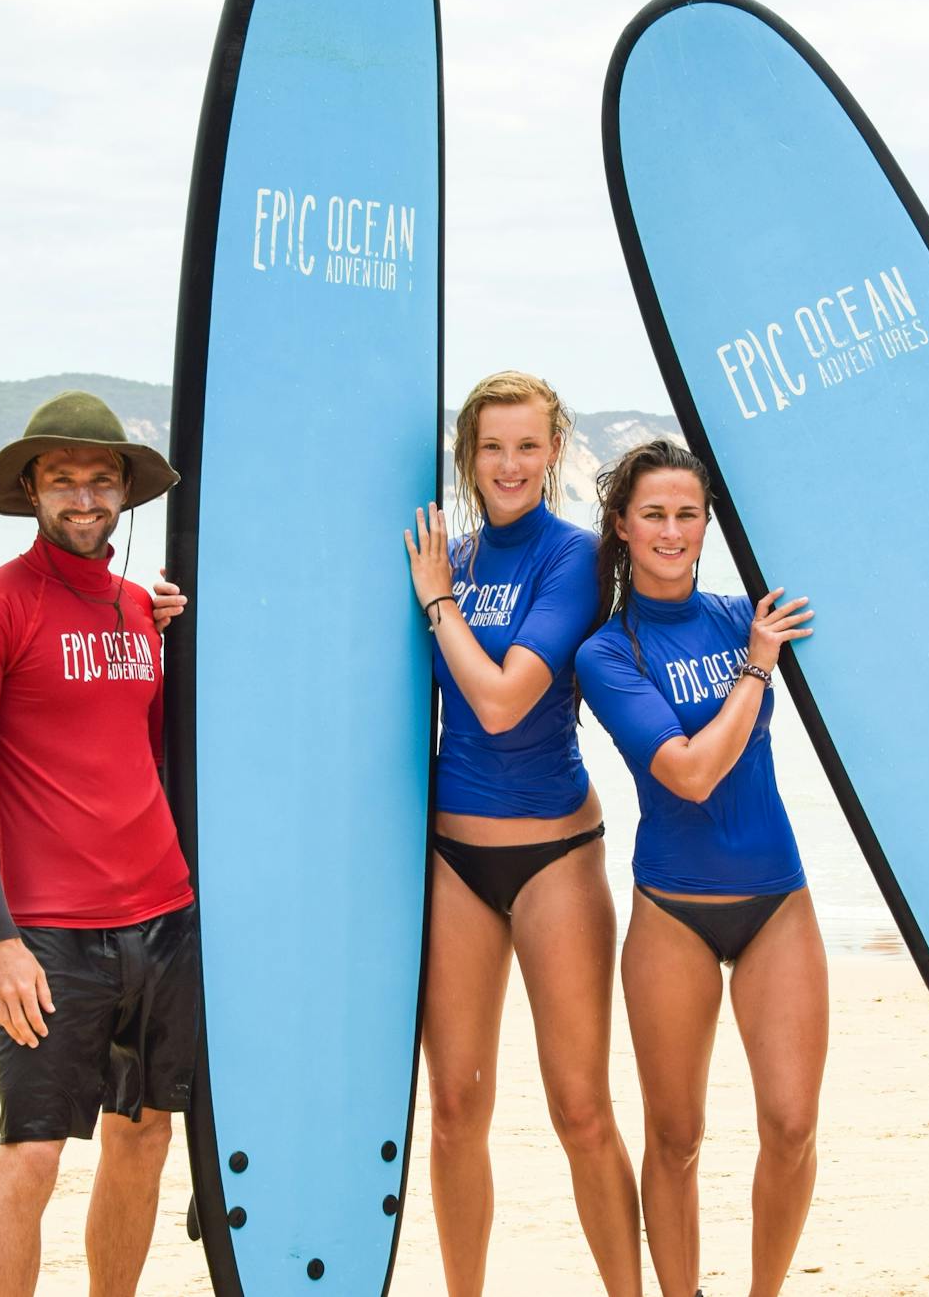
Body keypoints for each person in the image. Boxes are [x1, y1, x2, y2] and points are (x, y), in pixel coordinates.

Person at [0, 390, 196, 1297]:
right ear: (32, 492)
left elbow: (152, 759)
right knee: (32, 1153)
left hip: (164, 917)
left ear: (124, 491)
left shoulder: (143, 613)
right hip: (48, 936)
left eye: (101, 480)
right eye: (63, 481)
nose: (84, 499)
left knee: (144, 1136)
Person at [402, 372, 641, 1296]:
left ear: (554, 452)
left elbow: (503, 704)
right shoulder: (450, 556)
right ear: (468, 455)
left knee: (581, 1111)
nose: (510, 465)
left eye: (528, 446)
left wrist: (438, 606)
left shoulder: (575, 558)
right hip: (453, 859)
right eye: (492, 447)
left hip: (555, 857)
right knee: (453, 1112)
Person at [574, 439, 824, 1297]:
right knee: (675, 1139)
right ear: (622, 525)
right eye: (654, 514)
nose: (672, 530)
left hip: (776, 900)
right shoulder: (608, 653)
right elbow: (688, 773)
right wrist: (757, 667)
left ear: (708, 522)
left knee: (791, 1126)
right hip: (671, 910)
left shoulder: (745, 614)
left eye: (688, 513)